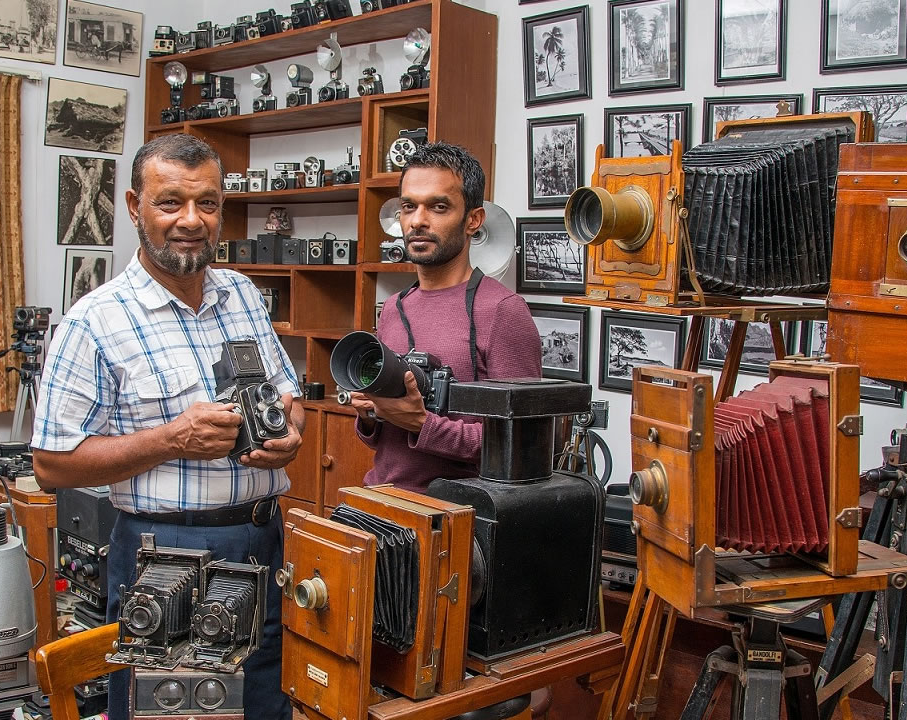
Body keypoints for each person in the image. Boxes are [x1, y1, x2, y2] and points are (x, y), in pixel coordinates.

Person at [32, 133, 301, 720]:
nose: (191, 220)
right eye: (169, 202)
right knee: (179, 715)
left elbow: (288, 394)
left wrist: (289, 435)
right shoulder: (95, 321)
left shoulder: (244, 296)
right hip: (166, 556)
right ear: (133, 206)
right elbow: (52, 464)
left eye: (206, 204)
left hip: (264, 541)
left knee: (266, 707)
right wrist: (169, 440)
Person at [349, 142, 542, 491]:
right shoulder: (394, 307)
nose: (418, 221)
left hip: (457, 519)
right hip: (381, 501)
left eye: (438, 207)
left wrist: (422, 424)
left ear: (473, 220)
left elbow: (522, 447)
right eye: (409, 206)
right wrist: (370, 414)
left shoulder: (502, 311)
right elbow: (383, 444)